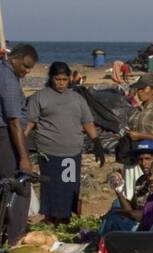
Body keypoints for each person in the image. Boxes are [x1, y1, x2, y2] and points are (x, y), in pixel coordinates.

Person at [27, 61, 105, 223]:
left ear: (69, 79)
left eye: (64, 79)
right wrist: (20, 146)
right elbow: (30, 123)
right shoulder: (39, 97)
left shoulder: (77, 99)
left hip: (72, 153)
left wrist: (97, 144)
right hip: (48, 153)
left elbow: (87, 122)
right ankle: (51, 219)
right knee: (51, 188)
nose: (61, 83)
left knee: (69, 188)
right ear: (51, 78)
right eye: (57, 79)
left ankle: (67, 220)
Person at [0, 44, 37, 245]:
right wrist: (23, 157)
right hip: (6, 135)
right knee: (19, 185)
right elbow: (14, 122)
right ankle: (15, 237)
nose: (27, 71)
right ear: (14, 59)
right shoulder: (9, 81)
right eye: (25, 66)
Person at [122, 74, 153, 195]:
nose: (139, 92)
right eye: (138, 89)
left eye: (143, 88)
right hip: (135, 156)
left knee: (150, 191)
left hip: (152, 158)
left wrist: (141, 135)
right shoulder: (135, 110)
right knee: (132, 191)